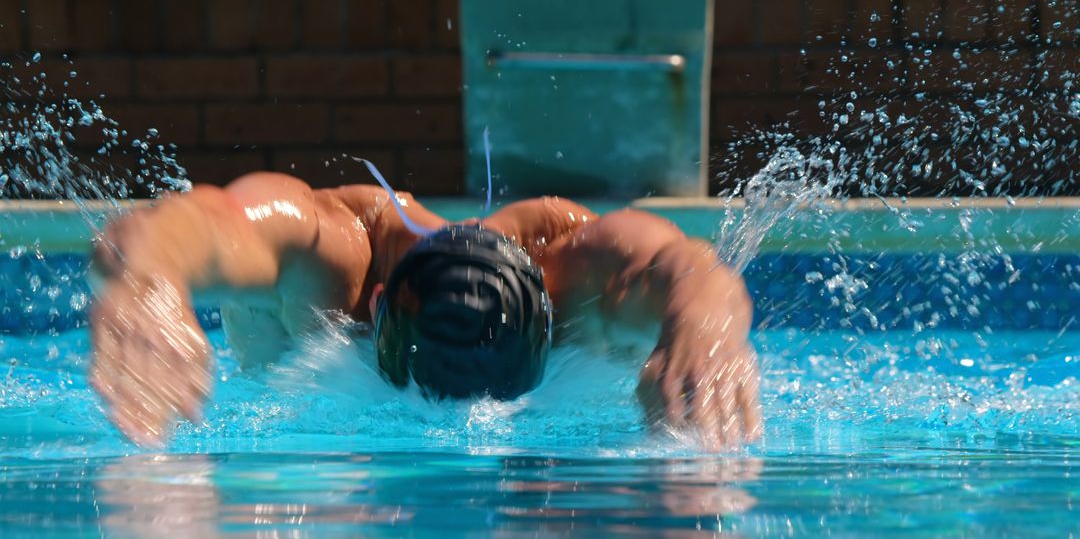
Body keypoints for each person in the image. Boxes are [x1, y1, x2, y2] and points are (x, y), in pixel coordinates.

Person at [89, 172, 760, 450]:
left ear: (550, 325)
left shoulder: (581, 271)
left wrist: (705, 327)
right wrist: (147, 277)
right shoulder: (329, 252)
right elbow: (201, 222)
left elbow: (690, 270)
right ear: (374, 307)